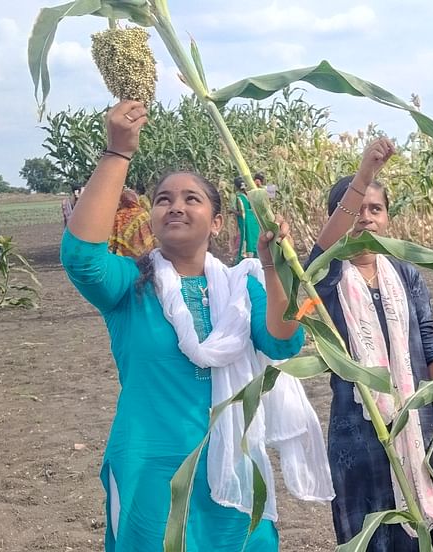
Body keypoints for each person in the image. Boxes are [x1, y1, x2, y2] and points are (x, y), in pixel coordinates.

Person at [60, 100, 331, 551]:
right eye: (163, 200)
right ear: (152, 218)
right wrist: (118, 153)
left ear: (218, 221)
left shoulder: (241, 289)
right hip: (152, 472)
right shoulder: (131, 287)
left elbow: (284, 342)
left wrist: (271, 269)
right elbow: (81, 259)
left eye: (192, 198)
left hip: (233, 471)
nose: (176, 207)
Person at [305, 138, 433, 551]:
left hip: (419, 429)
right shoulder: (327, 280)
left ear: (387, 218)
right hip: (360, 434)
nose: (366, 218)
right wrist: (365, 174)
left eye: (376, 209)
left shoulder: (406, 275)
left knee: (426, 534)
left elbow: (432, 353)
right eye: (355, 210)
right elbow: (322, 252)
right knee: (370, 537)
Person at [108, 188, 155, 258]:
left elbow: (112, 236)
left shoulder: (117, 216)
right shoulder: (142, 213)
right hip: (145, 251)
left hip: (122, 255)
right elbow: (151, 231)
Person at [233, 176, 261, 261]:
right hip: (254, 220)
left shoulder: (240, 198)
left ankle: (246, 256)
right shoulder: (253, 194)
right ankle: (257, 255)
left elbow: (242, 213)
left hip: (246, 221)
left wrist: (232, 211)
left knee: (246, 237)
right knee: (255, 237)